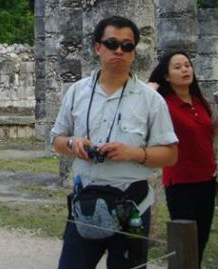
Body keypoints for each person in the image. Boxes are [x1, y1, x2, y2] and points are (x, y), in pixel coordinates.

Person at [50, 16, 179, 268]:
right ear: (98, 47)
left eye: (127, 46)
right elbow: (56, 140)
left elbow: (171, 154)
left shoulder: (151, 100)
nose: (119, 50)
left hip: (133, 205)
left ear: (133, 52)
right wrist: (73, 143)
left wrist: (133, 153)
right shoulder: (77, 92)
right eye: (112, 43)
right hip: (86, 202)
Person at [147, 51, 218, 267]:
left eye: (187, 65)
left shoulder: (199, 101)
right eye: (178, 67)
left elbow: (209, 134)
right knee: (185, 242)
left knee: (201, 240)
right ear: (166, 76)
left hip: (207, 178)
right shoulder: (163, 104)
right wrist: (149, 93)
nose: (185, 69)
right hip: (180, 182)